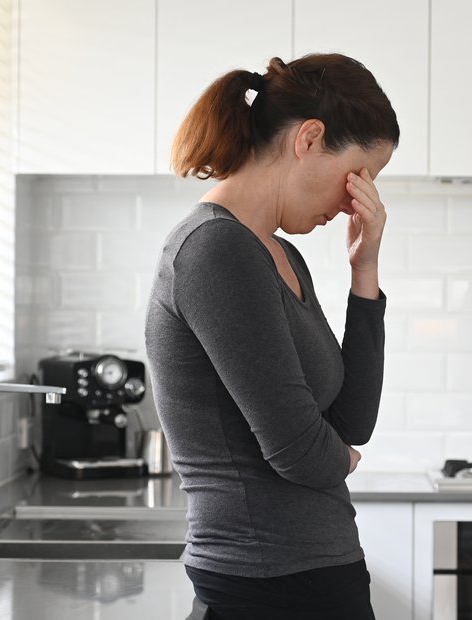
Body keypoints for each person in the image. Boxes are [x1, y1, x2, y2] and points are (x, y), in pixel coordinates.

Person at [144, 53, 398, 620]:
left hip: (313, 572)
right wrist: (343, 461)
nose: (357, 198)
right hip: (264, 583)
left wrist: (365, 270)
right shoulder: (216, 250)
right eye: (360, 173)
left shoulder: (279, 255)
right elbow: (299, 452)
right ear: (309, 138)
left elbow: (351, 421)